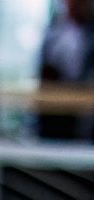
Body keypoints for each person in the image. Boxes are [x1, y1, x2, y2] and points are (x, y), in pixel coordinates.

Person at [38, 0, 94, 141]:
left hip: (86, 107)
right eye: (70, 3)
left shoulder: (90, 33)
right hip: (56, 109)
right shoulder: (54, 33)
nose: (74, 7)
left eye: (79, 3)